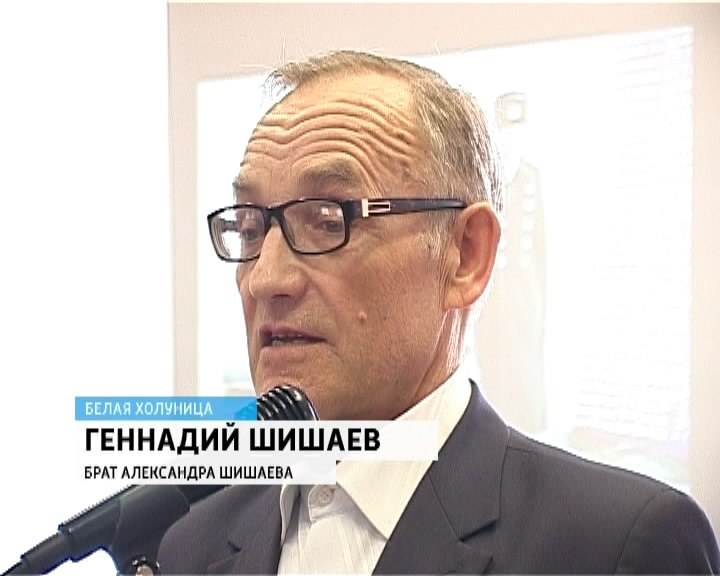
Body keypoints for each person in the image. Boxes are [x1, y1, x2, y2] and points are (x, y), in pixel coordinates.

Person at [158, 50, 719, 574]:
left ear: (466, 255)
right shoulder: (190, 543)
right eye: (250, 227)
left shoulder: (613, 544)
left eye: (328, 220)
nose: (264, 279)